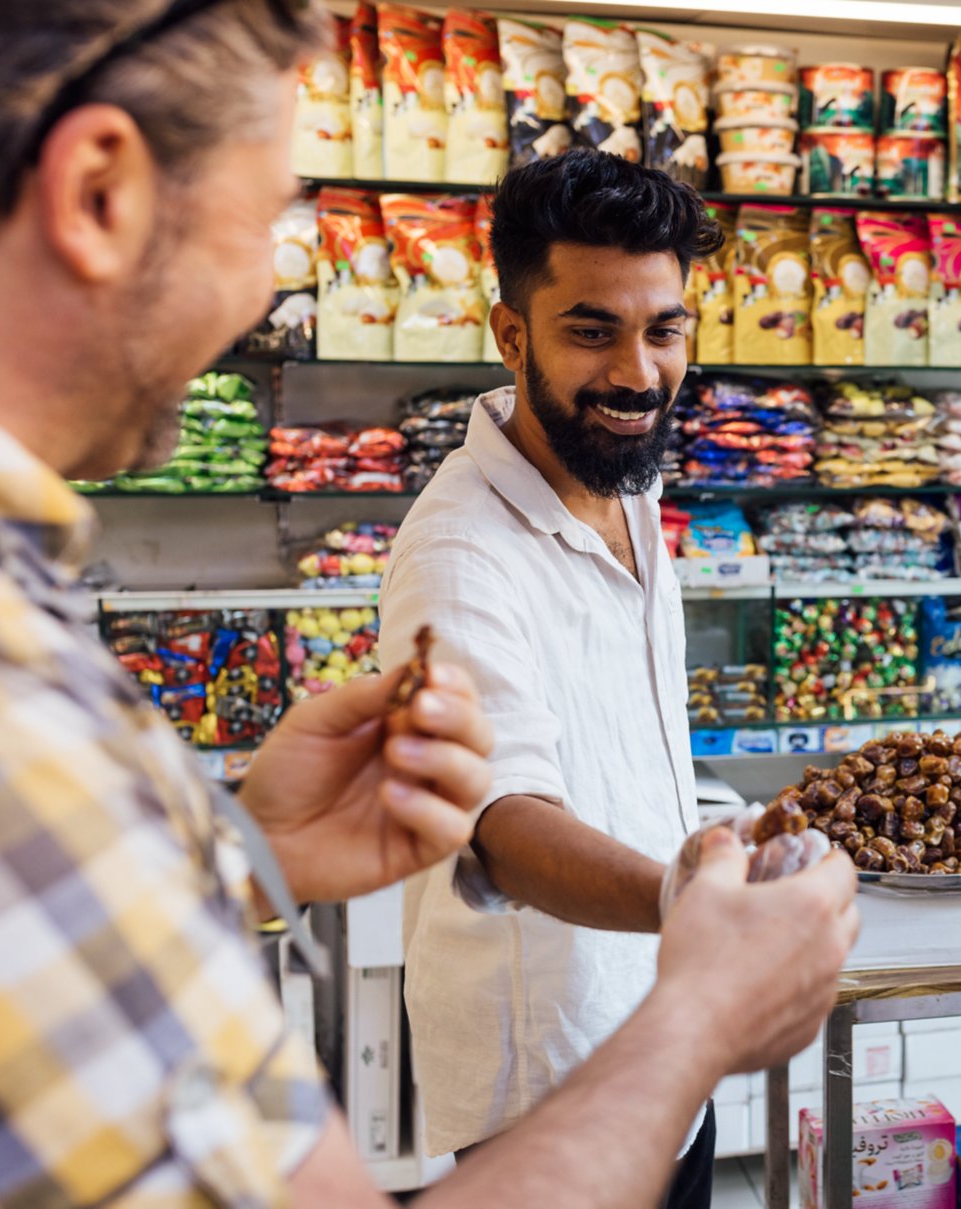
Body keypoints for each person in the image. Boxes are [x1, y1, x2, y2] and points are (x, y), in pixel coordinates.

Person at [0, 4, 858, 1207]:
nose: (266, 286)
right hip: (565, 1059)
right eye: (265, 222)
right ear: (100, 193)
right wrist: (703, 1000)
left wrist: (248, 859)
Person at [374, 149, 724, 1201]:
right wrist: (688, 897)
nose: (636, 371)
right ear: (510, 334)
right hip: (554, 1081)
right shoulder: (458, 552)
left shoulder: (627, 477)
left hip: (661, 1027)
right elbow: (500, 819)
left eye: (662, 330)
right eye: (590, 330)